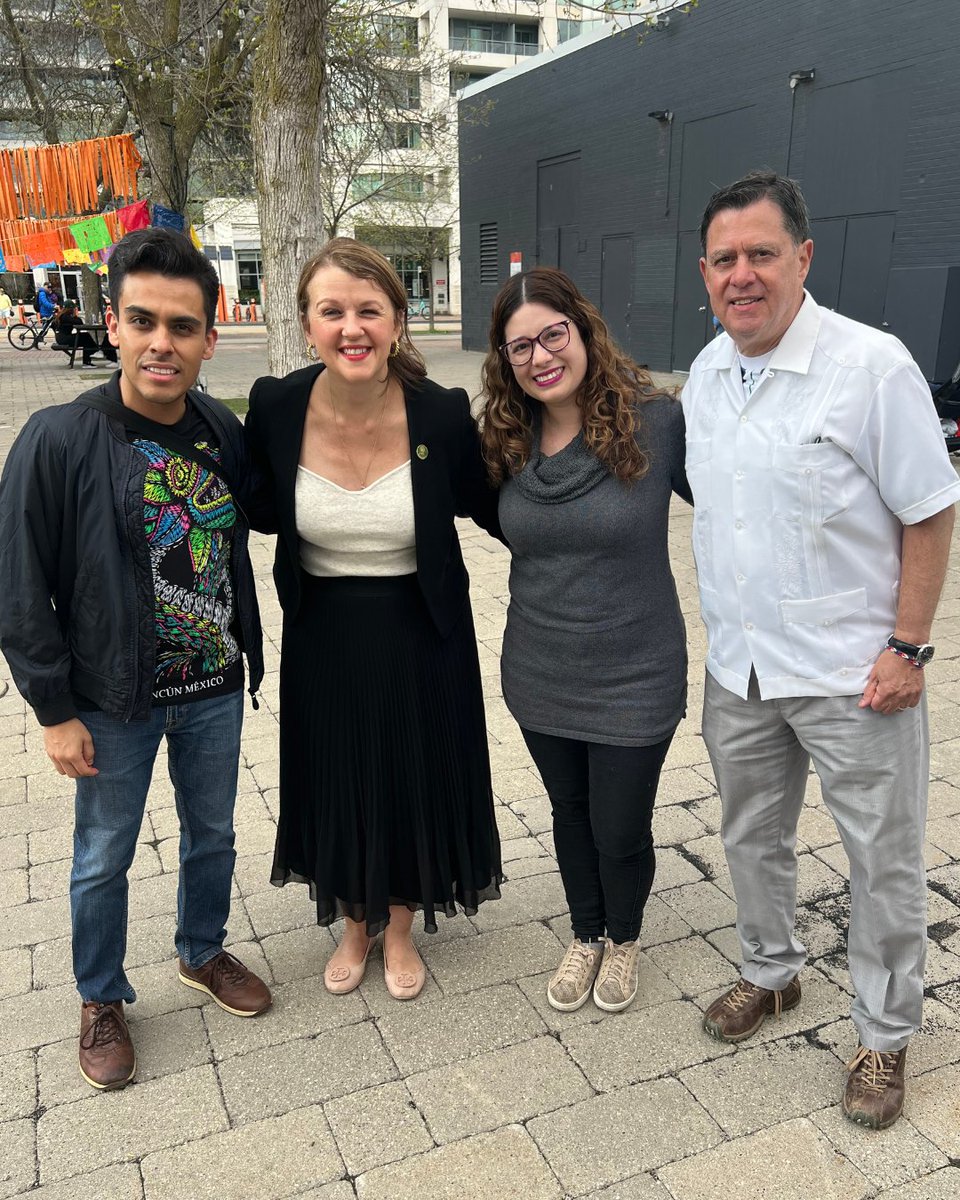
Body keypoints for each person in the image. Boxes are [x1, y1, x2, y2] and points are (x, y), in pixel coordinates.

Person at [683, 171, 960, 1129]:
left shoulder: (871, 366)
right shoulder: (709, 374)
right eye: (724, 259)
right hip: (743, 671)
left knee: (881, 860)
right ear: (705, 273)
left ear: (804, 258)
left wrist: (909, 647)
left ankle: (884, 1038)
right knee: (750, 838)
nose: (742, 274)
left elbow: (930, 509)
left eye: (762, 254)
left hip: (857, 675)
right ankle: (772, 973)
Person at [0, 227, 272, 1093]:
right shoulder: (59, 437)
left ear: (208, 338)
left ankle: (201, 950)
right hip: (111, 701)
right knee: (103, 853)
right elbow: (19, 586)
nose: (164, 342)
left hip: (212, 687)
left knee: (215, 833)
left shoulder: (219, 428)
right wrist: (52, 710)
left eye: (183, 327)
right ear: (111, 323)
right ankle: (100, 996)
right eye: (144, 321)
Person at [245, 237, 502, 1001]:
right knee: (339, 774)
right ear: (307, 323)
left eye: (369, 310)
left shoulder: (442, 413)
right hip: (324, 631)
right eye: (333, 311)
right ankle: (351, 923)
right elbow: (250, 499)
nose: (351, 327)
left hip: (423, 632)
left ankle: (396, 926)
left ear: (397, 320)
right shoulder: (275, 404)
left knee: (409, 776)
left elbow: (496, 507)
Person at [480, 268, 690, 1014]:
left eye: (552, 335)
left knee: (619, 824)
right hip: (540, 671)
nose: (540, 357)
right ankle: (586, 932)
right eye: (519, 347)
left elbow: (744, 508)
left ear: (583, 328)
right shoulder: (505, 438)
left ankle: (625, 937)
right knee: (570, 812)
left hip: (636, 673)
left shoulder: (657, 423)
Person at [53, 301, 118, 367]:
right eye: (74, 309)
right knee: (85, 338)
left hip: (61, 338)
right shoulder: (65, 317)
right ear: (71, 309)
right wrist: (75, 315)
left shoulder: (62, 316)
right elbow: (79, 322)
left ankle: (93, 354)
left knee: (85, 337)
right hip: (64, 339)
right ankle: (91, 355)